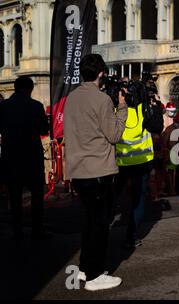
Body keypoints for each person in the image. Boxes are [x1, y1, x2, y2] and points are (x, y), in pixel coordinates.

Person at [64, 54, 127, 291]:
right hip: (98, 170)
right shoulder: (101, 100)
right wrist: (122, 108)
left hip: (79, 171)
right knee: (100, 224)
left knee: (89, 221)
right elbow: (114, 136)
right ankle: (94, 275)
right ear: (101, 74)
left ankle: (84, 268)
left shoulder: (71, 98)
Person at [0, 76, 50, 240]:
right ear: (29, 89)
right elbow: (44, 130)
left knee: (15, 197)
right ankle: (37, 230)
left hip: (11, 157)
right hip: (32, 158)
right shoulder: (35, 106)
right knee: (36, 196)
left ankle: (17, 230)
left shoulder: (4, 106)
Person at [115, 80, 158, 248]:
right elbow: (157, 127)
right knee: (138, 200)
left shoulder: (117, 110)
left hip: (121, 161)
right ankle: (131, 235)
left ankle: (104, 225)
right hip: (142, 161)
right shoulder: (145, 110)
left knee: (114, 196)